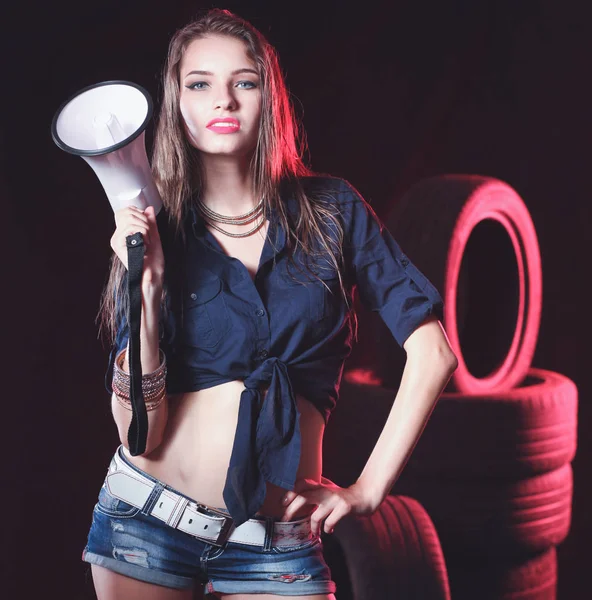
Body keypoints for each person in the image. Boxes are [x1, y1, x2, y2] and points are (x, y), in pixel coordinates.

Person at [82, 7, 458, 600]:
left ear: (270, 99)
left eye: (244, 82)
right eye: (200, 84)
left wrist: (367, 488)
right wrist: (146, 285)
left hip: (277, 542)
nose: (223, 100)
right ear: (177, 106)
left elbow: (432, 354)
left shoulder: (334, 211)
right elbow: (140, 436)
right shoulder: (158, 231)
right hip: (146, 523)